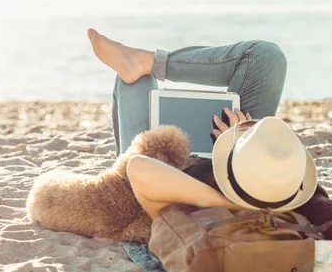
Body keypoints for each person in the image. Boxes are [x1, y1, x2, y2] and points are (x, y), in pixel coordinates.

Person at [87, 28, 291, 218]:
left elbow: (140, 169)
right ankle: (150, 61)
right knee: (266, 56)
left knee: (133, 80)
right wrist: (243, 145)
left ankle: (145, 62)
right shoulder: (283, 185)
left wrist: (231, 155)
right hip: (240, 160)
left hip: (171, 183)